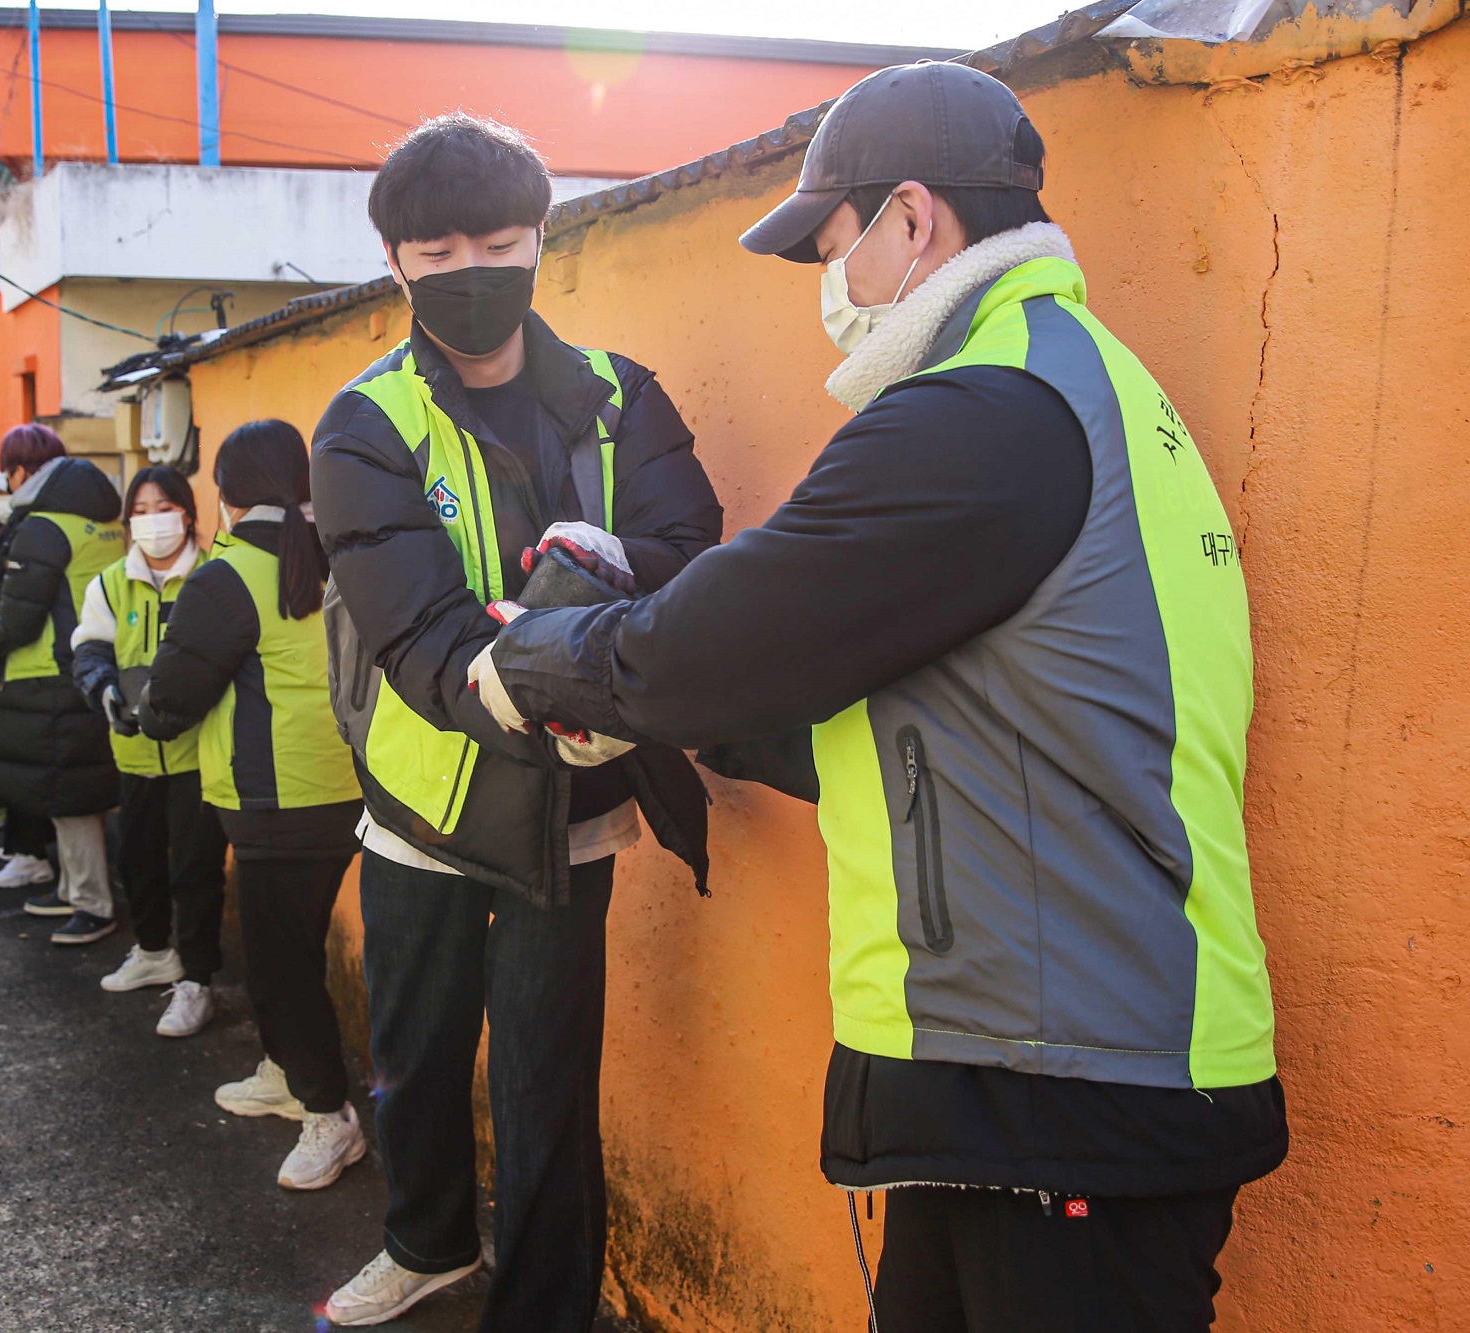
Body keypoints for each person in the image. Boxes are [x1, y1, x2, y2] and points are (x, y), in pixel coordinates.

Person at [468, 63, 1288, 1333]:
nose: (827, 291)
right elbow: (913, 719)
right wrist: (649, 689)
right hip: (1041, 1058)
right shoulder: (1073, 385)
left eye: (830, 246)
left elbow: (729, 635)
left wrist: (547, 662)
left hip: (1061, 1068)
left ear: (913, 222)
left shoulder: (980, 408)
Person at [307, 114, 721, 1329]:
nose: (470, 271)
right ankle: (424, 1240)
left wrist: (604, 564)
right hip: (427, 801)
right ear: (396, 262)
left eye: (497, 240)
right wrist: (552, 688)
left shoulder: (618, 393)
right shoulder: (365, 421)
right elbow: (421, 638)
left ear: (544, 238)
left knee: (549, 1085)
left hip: (571, 808)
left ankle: (540, 1307)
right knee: (415, 1053)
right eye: (437, 252)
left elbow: (692, 554)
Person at [136, 421, 367, 1191]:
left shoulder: (226, 576)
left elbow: (171, 697)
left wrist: (136, 708)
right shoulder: (336, 553)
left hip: (276, 800)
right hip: (343, 789)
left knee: (280, 968)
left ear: (225, 494)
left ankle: (329, 1115)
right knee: (289, 953)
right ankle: (281, 1071)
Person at [72, 464, 231, 1036]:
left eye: (160, 507)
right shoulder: (111, 582)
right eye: (138, 511)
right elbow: (89, 648)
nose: (150, 520)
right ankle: (152, 949)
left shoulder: (216, 576)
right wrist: (103, 690)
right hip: (135, 751)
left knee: (195, 868)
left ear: (187, 512)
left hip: (198, 752)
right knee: (137, 858)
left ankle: (197, 981)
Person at [0, 426, 124, 946]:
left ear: (20, 472)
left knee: (67, 797)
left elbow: (18, 620)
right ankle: (76, 890)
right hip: (93, 663)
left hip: (48, 673)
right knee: (74, 791)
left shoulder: (42, 528)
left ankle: (92, 904)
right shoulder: (104, 523)